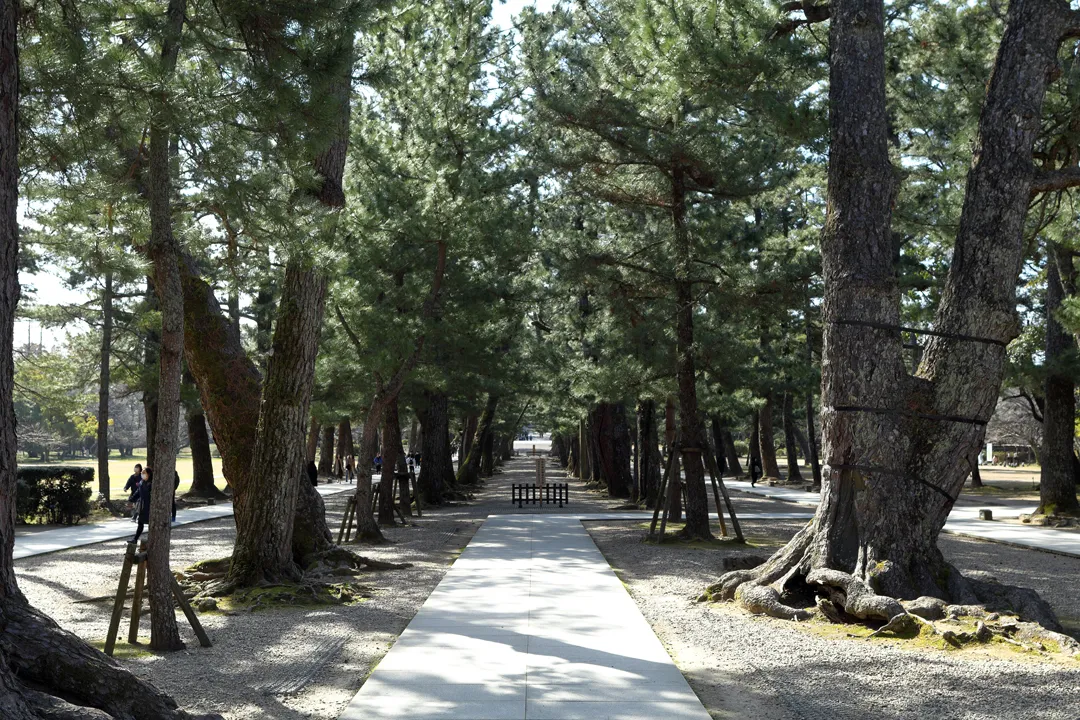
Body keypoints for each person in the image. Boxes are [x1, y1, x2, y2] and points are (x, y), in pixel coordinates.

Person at [131, 468, 153, 543]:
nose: (142, 474)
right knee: (140, 523)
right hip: (142, 506)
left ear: (148, 474)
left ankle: (152, 540)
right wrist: (131, 499)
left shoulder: (152, 484)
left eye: (144, 473)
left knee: (151, 524)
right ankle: (135, 539)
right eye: (142, 473)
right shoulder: (141, 482)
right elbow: (138, 492)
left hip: (150, 506)